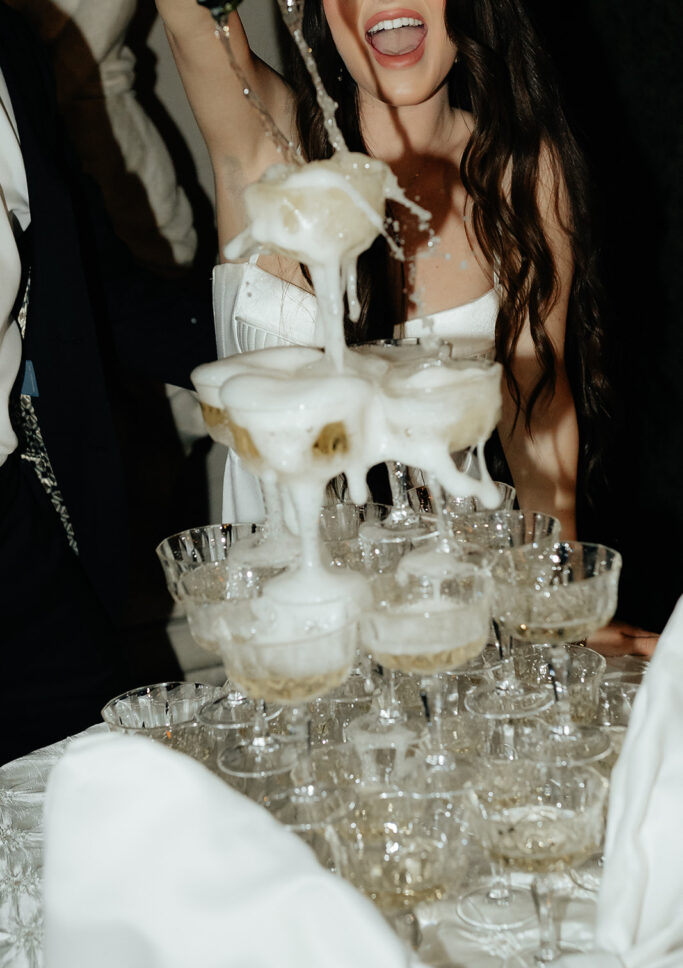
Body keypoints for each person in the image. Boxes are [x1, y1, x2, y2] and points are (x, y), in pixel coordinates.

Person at [156, 0, 657, 655]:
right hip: (286, 645)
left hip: (455, 629)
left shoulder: (519, 174)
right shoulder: (264, 144)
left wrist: (556, 600)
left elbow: (538, 405)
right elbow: (190, 19)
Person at [0, 1, 217, 764]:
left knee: (95, 804)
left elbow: (91, 285)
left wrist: (290, 345)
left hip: (14, 544)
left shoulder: (9, 44)